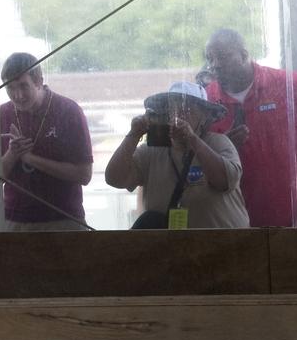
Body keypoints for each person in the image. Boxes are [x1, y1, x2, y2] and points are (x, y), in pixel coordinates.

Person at [104, 81, 248, 229]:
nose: (178, 114)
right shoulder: (150, 151)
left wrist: (192, 139)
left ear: (205, 116)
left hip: (225, 246)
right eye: (173, 108)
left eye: (187, 108)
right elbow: (114, 179)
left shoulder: (219, 143)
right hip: (172, 248)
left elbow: (225, 181)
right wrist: (133, 134)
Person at [203, 28, 297, 227]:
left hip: (293, 222)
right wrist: (225, 147)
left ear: (244, 55)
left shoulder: (289, 86)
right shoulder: (205, 101)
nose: (215, 65)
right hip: (232, 226)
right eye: (210, 58)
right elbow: (193, 166)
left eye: (222, 56)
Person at [0, 52, 94, 231]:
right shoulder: (2, 114)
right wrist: (12, 154)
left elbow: (84, 175)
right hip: (15, 218)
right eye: (10, 87)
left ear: (39, 81)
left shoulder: (68, 111)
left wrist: (31, 159)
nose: (17, 95)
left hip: (64, 218)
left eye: (23, 86)